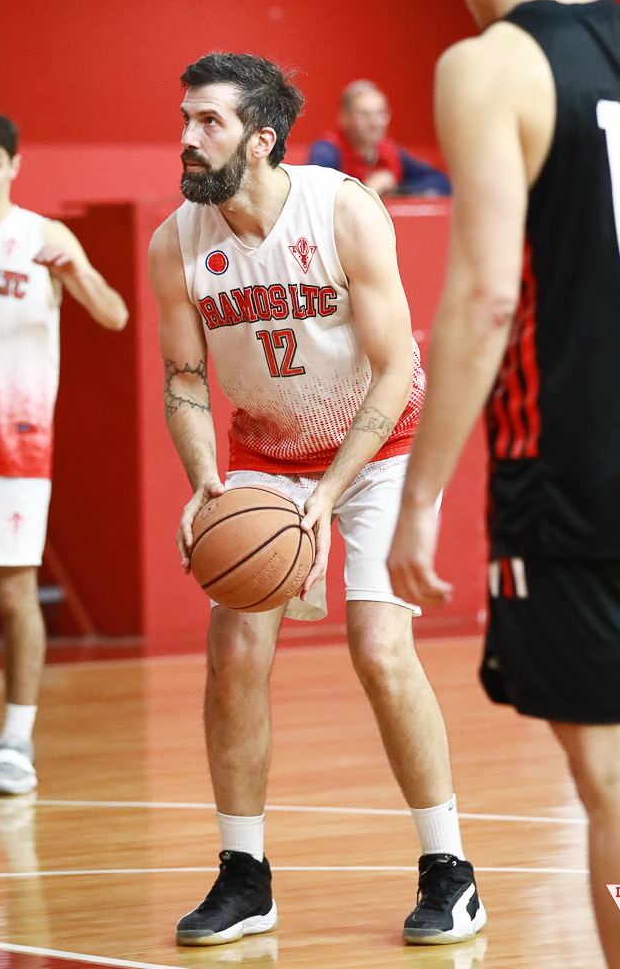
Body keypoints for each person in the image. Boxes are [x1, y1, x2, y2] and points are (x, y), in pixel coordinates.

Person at [387, 0, 620, 968]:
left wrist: (421, 495)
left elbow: (483, 298)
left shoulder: (489, 64)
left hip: (581, 470)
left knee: (618, 782)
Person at [148, 52, 486, 947]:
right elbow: (185, 377)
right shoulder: (174, 241)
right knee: (235, 650)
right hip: (265, 449)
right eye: (184, 117)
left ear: (261, 139)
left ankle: (450, 872)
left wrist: (329, 494)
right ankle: (244, 875)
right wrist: (206, 485)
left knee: (378, 646)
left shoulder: (341, 208)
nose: (187, 136)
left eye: (208, 122)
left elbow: (398, 369)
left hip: (382, 448)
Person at [0, 112, 129, 795]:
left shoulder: (41, 237)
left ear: (13, 166)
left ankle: (15, 739)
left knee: (14, 592)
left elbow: (115, 314)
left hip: (13, 442)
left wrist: (75, 269)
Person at [308, 80, 451, 198]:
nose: (375, 123)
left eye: (381, 114)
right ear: (344, 117)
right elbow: (313, 194)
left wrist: (399, 189)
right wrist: (366, 189)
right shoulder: (327, 150)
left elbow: (441, 182)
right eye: (364, 115)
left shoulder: (391, 150)